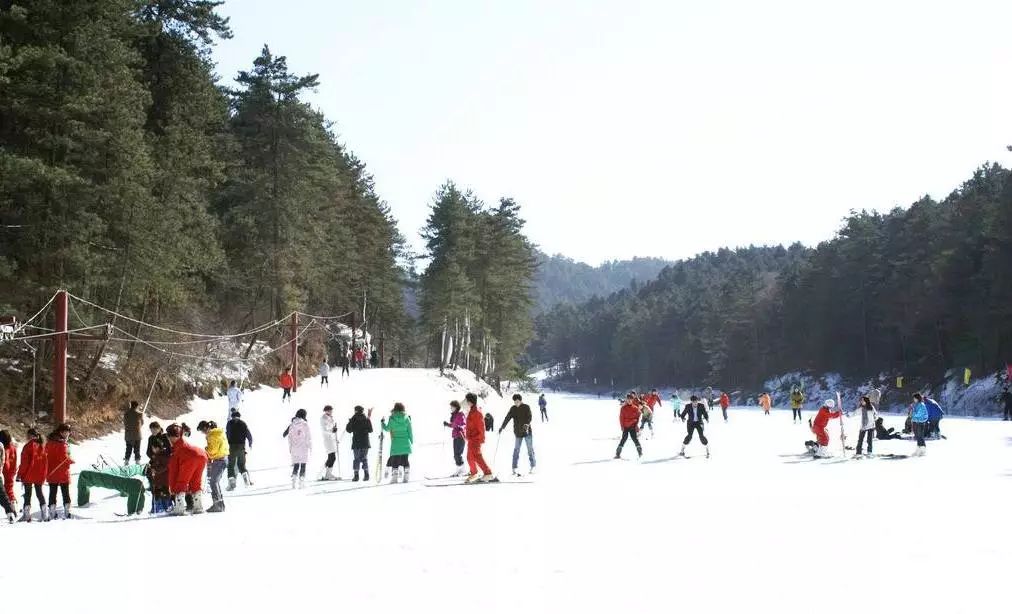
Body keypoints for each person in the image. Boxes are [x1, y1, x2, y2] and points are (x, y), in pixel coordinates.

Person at [167, 422, 207, 515]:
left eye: (169, 437)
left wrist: (172, 489)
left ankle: (179, 508)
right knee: (196, 481)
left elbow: (173, 472)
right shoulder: (183, 443)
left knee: (182, 481)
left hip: (190, 457)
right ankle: (198, 506)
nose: (169, 439)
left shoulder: (177, 450)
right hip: (202, 455)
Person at [500, 393, 536, 477]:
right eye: (514, 402)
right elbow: (507, 417)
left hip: (527, 432)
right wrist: (502, 427)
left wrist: (527, 424)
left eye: (517, 401)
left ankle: (533, 465)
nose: (516, 403)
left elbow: (529, 417)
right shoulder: (513, 408)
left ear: (520, 400)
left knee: (530, 450)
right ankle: (514, 467)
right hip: (518, 432)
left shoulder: (526, 407)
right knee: (516, 450)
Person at [44, 423, 74, 520]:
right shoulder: (63, 445)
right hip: (62, 472)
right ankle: (67, 510)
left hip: (51, 471)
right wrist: (71, 461)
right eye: (65, 432)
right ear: (60, 432)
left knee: (52, 492)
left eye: (68, 432)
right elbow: (64, 458)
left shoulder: (49, 443)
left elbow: (45, 456)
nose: (67, 434)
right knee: (65, 492)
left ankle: (52, 510)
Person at [16, 428, 47, 521]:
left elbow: (24, 463)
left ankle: (27, 515)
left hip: (28, 474)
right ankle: (45, 513)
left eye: (27, 435)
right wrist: (44, 475)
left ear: (30, 436)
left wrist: (19, 475)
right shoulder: (42, 446)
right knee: (39, 493)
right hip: (40, 474)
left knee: (28, 494)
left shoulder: (27, 446)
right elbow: (46, 463)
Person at [197, 421, 227, 513]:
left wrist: (206, 449)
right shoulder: (217, 433)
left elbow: (212, 451)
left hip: (219, 460)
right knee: (215, 482)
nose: (203, 433)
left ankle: (217, 504)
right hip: (222, 459)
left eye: (202, 431)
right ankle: (220, 504)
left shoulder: (212, 436)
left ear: (206, 428)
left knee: (213, 482)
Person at [465, 392, 495, 482]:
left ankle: (488, 473)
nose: (467, 402)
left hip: (475, 438)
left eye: (468, 400)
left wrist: (479, 438)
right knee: (469, 457)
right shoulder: (471, 411)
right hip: (471, 438)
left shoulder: (477, 412)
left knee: (477, 456)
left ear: (471, 401)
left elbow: (481, 427)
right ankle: (474, 473)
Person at [381, 403, 413, 483]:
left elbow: (388, 429)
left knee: (395, 460)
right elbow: (410, 431)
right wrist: (411, 441)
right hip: (405, 442)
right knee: (405, 460)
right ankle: (406, 477)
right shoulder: (406, 418)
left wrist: (382, 424)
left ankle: (394, 478)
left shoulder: (392, 418)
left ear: (395, 409)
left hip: (396, 442)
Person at [145, 422, 173, 513]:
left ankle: (167, 505)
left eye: (154, 429)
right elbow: (148, 451)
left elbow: (169, 450)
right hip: (154, 462)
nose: (153, 431)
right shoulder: (151, 438)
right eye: (151, 430)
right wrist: (153, 456)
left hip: (164, 463)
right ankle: (156, 506)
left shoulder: (165, 437)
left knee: (164, 485)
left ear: (159, 428)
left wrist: (160, 455)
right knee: (155, 486)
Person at [225, 410, 253, 490]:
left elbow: (227, 434)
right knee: (241, 464)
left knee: (231, 465)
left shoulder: (229, 423)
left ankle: (232, 482)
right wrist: (250, 443)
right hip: (241, 446)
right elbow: (248, 434)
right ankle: (246, 478)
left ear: (232, 416)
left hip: (232, 446)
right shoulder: (243, 423)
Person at [284, 409, 312, 488]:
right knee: (303, 464)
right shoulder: (305, 424)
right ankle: (301, 482)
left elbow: (289, 437)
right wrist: (310, 446)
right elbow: (308, 436)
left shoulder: (292, 425)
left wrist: (290, 448)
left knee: (296, 464)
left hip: (295, 448)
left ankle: (293, 480)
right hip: (303, 447)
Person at [346, 405, 373, 481]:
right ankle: (366, 474)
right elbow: (371, 430)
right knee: (364, 458)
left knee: (356, 459)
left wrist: (350, 421)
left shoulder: (353, 419)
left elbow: (348, 430)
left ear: (356, 411)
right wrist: (368, 418)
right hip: (365, 442)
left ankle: (356, 475)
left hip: (356, 443)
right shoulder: (366, 419)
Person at [614, 392, 643, 460]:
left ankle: (640, 453)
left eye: (631, 399)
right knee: (623, 439)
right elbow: (621, 418)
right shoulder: (623, 408)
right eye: (628, 399)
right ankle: (618, 453)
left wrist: (636, 425)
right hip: (625, 427)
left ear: (632, 400)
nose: (629, 400)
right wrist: (622, 427)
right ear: (626, 400)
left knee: (635, 439)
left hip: (632, 427)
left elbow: (638, 417)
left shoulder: (635, 408)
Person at [443, 400, 467, 476]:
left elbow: (463, 424)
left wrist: (459, 426)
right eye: (451, 407)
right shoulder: (454, 415)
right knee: (455, 454)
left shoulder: (460, 414)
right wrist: (447, 424)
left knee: (458, 454)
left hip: (460, 436)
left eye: (452, 407)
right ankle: (461, 469)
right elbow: (454, 425)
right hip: (456, 436)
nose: (451, 408)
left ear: (456, 407)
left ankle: (461, 470)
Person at [320, 405, 340, 480]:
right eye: (329, 410)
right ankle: (327, 474)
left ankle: (327, 474)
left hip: (331, 439)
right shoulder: (323, 418)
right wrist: (332, 430)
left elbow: (331, 428)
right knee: (332, 457)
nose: (330, 411)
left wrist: (334, 432)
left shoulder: (331, 418)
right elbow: (324, 429)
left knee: (331, 457)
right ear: (325, 411)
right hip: (328, 440)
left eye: (331, 410)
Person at [122, 400, 144, 465]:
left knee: (128, 448)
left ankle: (126, 461)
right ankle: (137, 461)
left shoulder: (126, 414)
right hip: (137, 435)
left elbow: (125, 423)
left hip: (128, 435)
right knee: (137, 449)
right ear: (137, 406)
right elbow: (142, 423)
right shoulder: (140, 414)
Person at [0, 430, 16, 509]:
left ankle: (10, 508)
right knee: (9, 488)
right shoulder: (12, 447)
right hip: (11, 470)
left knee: (4, 490)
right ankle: (12, 504)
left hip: (4, 470)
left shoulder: (3, 447)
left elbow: (4, 460)